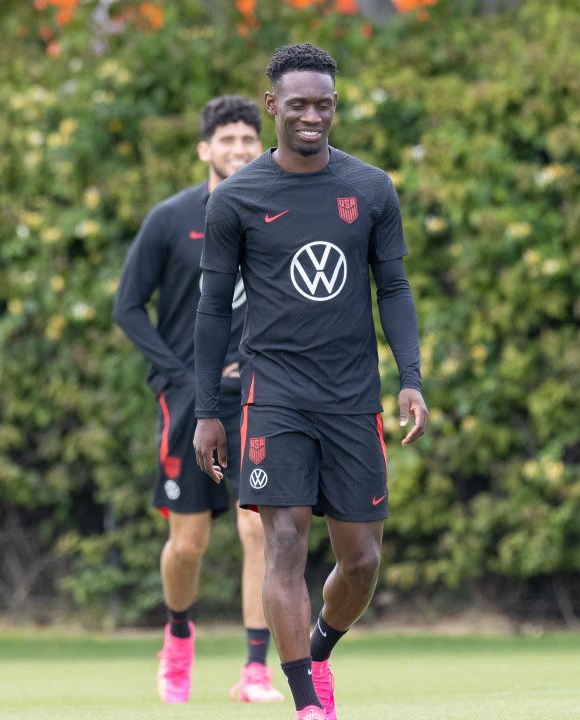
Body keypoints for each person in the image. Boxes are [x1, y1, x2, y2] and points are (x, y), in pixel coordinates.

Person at [192, 43, 427, 720]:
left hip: (353, 399)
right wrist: (208, 411)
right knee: (284, 541)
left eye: (324, 104)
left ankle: (319, 648)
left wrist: (409, 377)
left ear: (335, 105)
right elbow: (212, 312)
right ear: (273, 106)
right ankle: (306, 706)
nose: (312, 116)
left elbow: (395, 289)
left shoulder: (371, 188)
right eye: (298, 105)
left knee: (360, 562)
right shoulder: (236, 200)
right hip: (275, 398)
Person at [114, 95, 284, 705]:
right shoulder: (171, 218)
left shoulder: (277, 213)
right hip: (189, 399)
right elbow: (127, 307)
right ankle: (179, 636)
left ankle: (256, 669)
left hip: (261, 394)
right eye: (227, 139)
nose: (239, 149)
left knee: (257, 527)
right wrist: (180, 372)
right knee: (188, 543)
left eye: (248, 139)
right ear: (204, 148)